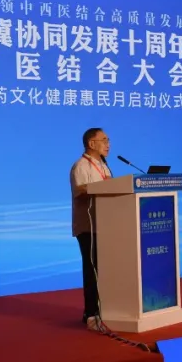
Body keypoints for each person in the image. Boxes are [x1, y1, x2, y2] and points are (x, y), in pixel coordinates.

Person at [70, 128, 112, 325]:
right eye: (104, 140)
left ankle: (106, 309)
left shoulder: (104, 166)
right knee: (92, 269)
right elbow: (79, 191)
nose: (108, 144)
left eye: (108, 140)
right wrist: (104, 187)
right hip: (88, 226)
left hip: (105, 225)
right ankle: (91, 313)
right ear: (91, 143)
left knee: (105, 269)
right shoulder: (80, 166)